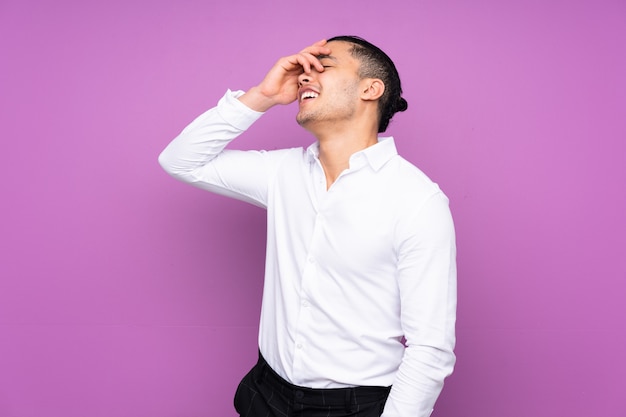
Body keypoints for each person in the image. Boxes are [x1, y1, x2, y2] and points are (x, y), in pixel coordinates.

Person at [159, 36, 457, 417]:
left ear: (371, 88)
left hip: (355, 406)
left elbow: (430, 348)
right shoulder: (281, 172)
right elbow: (180, 161)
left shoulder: (417, 201)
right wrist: (263, 95)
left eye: (323, 66)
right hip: (264, 394)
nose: (303, 77)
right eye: (304, 69)